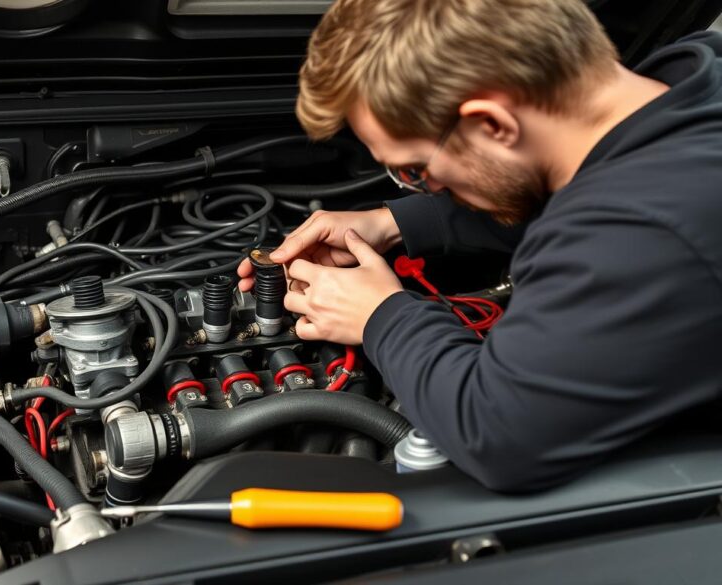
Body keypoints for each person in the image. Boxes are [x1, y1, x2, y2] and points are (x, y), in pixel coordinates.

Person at [237, 0, 722, 491]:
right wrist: (392, 222)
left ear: (492, 123)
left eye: (415, 170)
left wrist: (382, 315)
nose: (422, 184)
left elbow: (498, 435)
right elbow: (560, 176)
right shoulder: (690, 80)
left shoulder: (647, 229)